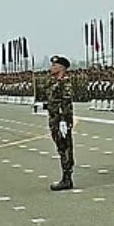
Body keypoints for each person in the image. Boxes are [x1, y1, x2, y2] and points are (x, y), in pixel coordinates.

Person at [47, 56, 75, 191]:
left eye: (54, 65)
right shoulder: (56, 82)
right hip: (55, 120)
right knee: (61, 148)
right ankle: (66, 177)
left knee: (65, 148)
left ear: (61, 68)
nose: (52, 68)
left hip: (61, 121)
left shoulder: (65, 82)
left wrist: (64, 120)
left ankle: (67, 178)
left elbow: (66, 102)